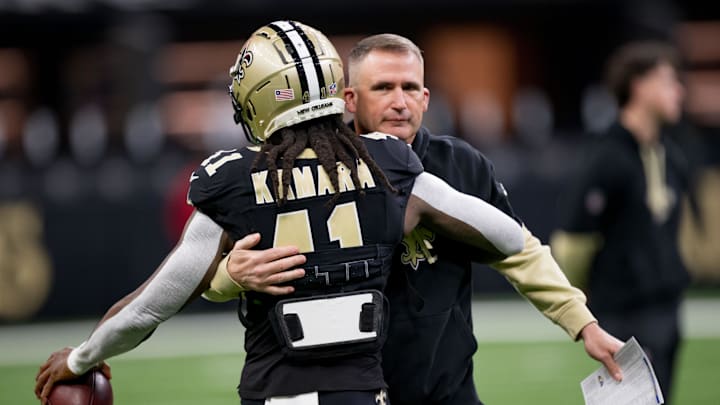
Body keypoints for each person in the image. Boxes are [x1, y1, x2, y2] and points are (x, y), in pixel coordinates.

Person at [34, 21, 528, 405]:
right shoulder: (390, 162)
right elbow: (508, 237)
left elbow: (150, 307)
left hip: (276, 391)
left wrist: (81, 358)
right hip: (362, 393)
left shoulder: (231, 179)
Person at [210, 33, 625, 404]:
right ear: (349, 100)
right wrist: (231, 274)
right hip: (356, 390)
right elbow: (203, 273)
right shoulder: (309, 169)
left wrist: (583, 323)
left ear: (426, 98)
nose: (399, 101)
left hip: (449, 388)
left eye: (410, 88)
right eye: (383, 88)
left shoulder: (459, 164)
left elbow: (518, 251)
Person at [550, 40, 691, 403]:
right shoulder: (605, 156)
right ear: (640, 85)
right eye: (668, 81)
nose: (679, 91)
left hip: (666, 309)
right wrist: (588, 306)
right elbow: (571, 242)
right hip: (624, 313)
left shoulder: (669, 155)